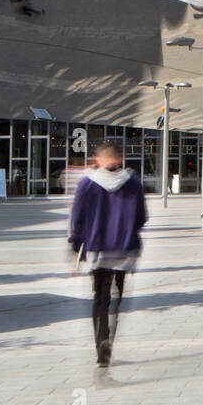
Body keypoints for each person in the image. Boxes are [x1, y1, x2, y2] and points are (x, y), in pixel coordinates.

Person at [68, 140, 148, 368]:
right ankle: (110, 336)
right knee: (116, 300)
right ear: (119, 159)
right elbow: (142, 218)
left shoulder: (87, 185)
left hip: (98, 250)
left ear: (99, 160)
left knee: (100, 299)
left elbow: (78, 220)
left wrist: (76, 249)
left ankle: (101, 342)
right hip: (124, 250)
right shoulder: (133, 184)